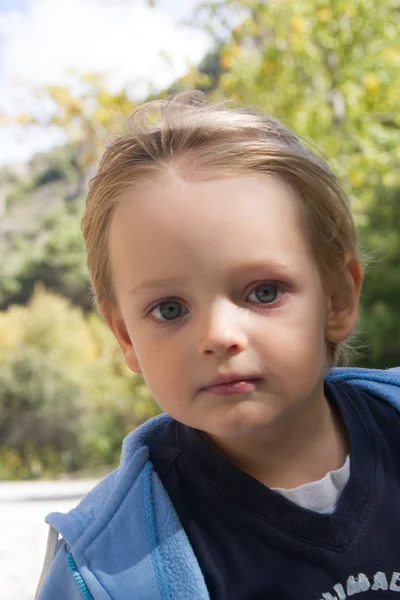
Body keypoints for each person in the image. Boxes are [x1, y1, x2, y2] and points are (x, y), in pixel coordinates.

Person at [35, 91, 400, 600]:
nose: (217, 336)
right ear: (126, 338)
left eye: (264, 292)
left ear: (337, 298)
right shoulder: (105, 571)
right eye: (169, 309)